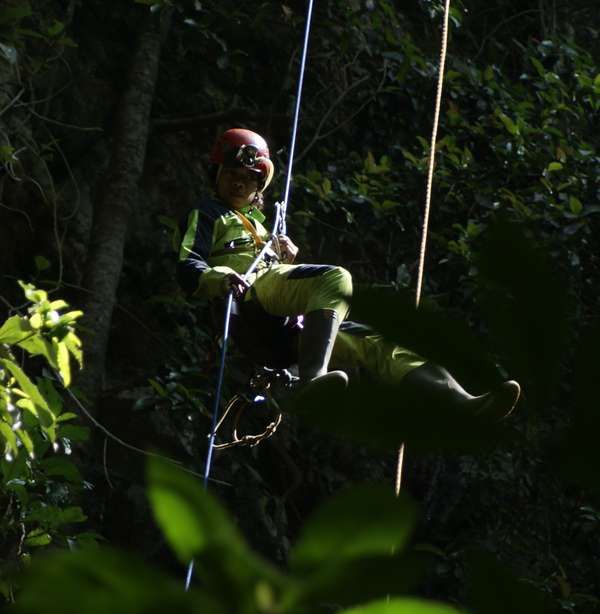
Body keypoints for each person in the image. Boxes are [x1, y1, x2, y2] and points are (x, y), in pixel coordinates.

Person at [178, 128, 520, 420]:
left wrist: (287, 259)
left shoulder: (263, 229)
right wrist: (221, 278)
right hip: (251, 304)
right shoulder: (209, 214)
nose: (239, 184)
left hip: (286, 331)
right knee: (335, 278)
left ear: (259, 187)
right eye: (231, 175)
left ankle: (464, 404)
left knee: (378, 345)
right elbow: (188, 263)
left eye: (248, 179)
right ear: (216, 176)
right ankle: (313, 381)